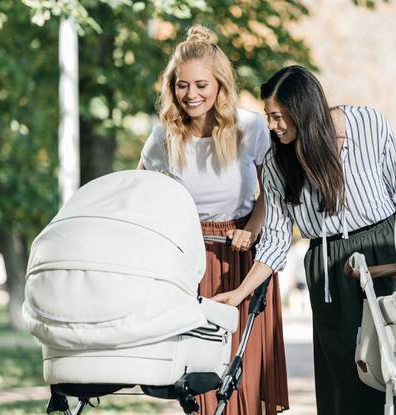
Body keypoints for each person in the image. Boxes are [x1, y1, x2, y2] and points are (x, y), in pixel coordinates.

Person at [213, 65, 396, 414]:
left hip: (385, 250)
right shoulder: (278, 163)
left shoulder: (368, 124)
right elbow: (277, 240)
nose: (273, 126)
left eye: (278, 116)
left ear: (303, 109)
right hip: (329, 268)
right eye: (268, 116)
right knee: (352, 373)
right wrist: (239, 293)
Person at [138, 25, 289, 415]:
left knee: (245, 371)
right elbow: (143, 194)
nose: (191, 95)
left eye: (201, 85)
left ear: (220, 85)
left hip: (240, 253)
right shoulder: (163, 137)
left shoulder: (251, 127)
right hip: (189, 258)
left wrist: (251, 229)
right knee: (200, 374)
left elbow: (272, 192)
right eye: (182, 86)